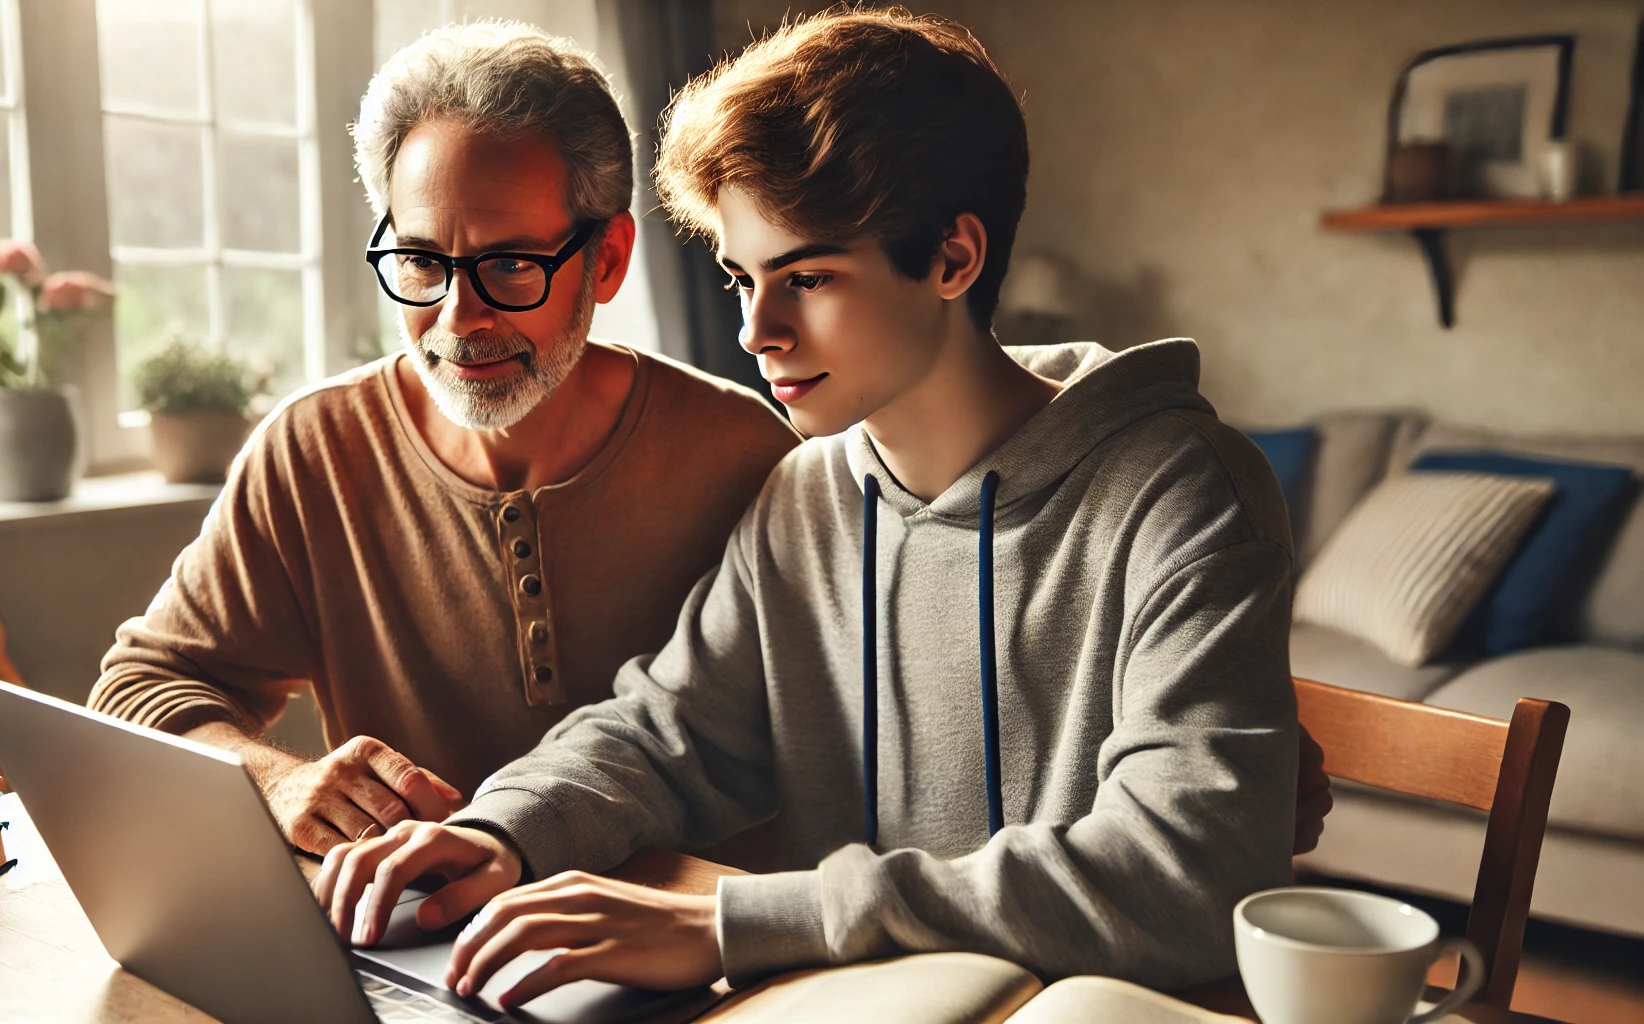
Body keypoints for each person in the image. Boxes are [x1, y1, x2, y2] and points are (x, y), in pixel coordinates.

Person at [315, 8, 1318, 1008]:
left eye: (808, 278)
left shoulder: (1181, 493)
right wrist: (500, 833)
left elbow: (1182, 873)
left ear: (952, 259)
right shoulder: (806, 495)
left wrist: (732, 924)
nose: (757, 331)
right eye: (740, 277)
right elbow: (670, 732)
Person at [86, 21, 799, 856]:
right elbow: (140, 685)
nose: (459, 319)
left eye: (509, 265)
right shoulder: (314, 451)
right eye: (422, 261)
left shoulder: (746, 456)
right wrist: (276, 779)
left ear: (607, 260)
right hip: (419, 937)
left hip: (691, 944)